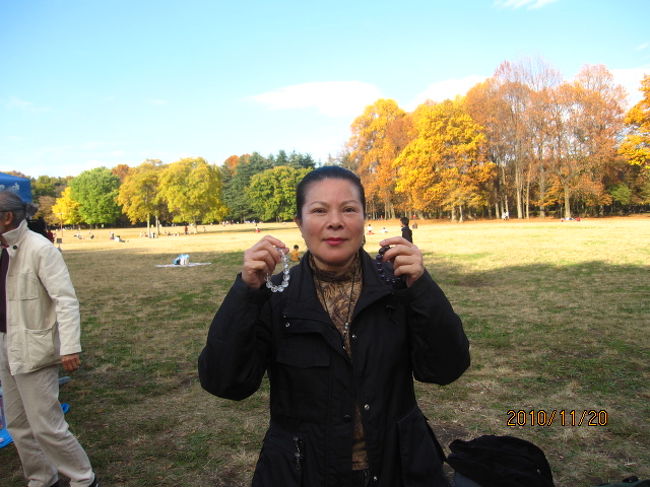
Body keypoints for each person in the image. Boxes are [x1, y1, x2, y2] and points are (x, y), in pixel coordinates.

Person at [199, 167, 470, 486]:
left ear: (364, 221)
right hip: (303, 472)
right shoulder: (275, 296)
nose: (335, 222)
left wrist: (422, 287)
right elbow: (225, 383)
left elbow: (446, 368)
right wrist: (245, 294)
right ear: (300, 224)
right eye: (319, 210)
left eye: (349, 209)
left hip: (401, 466)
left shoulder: (397, 289)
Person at [0, 191, 99, 487]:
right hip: (5, 344)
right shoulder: (3, 248)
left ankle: (83, 479)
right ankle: (42, 478)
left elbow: (65, 301)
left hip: (35, 347)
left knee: (47, 426)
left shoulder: (40, 249)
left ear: (7, 217)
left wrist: (69, 348)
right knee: (17, 424)